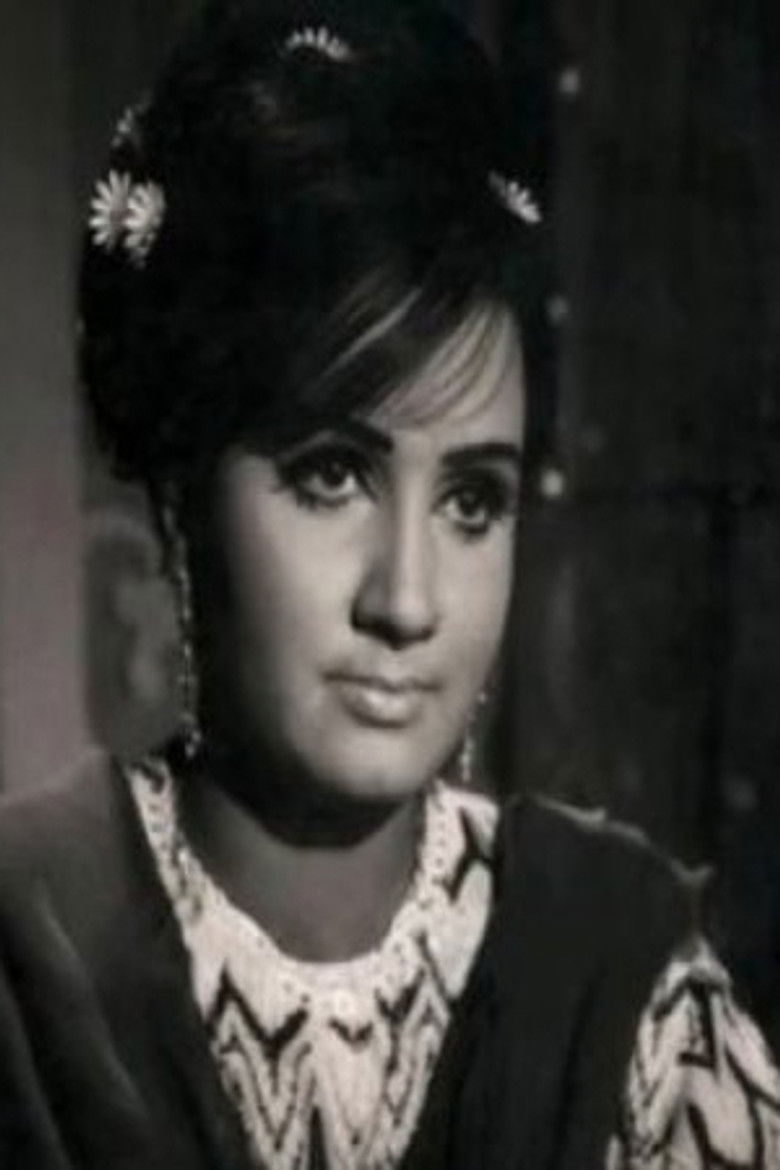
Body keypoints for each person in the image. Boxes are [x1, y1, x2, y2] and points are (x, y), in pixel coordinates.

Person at [1, 2, 779, 1168]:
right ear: (177, 495)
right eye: (331, 476)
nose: (408, 602)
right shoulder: (25, 963)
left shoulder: (632, 999)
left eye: (472, 501)